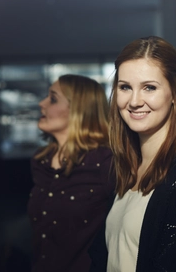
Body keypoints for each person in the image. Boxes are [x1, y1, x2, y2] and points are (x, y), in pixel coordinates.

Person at [91, 36, 176, 271]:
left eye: (149, 87)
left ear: (174, 93)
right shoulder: (127, 166)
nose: (134, 101)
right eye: (125, 87)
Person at [27, 74, 115, 272]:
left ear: (79, 109)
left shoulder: (105, 162)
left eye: (53, 98)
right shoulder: (41, 161)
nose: (42, 104)